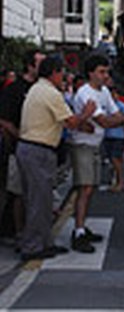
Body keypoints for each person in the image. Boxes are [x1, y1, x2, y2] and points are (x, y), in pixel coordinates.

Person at [16, 56, 97, 261]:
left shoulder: (37, 89)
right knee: (39, 200)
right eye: (62, 72)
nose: (64, 77)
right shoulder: (51, 93)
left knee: (37, 199)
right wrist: (86, 114)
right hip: (38, 149)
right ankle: (33, 246)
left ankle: (40, 242)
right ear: (53, 72)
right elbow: (70, 122)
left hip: (29, 148)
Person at [70, 55, 124, 253]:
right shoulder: (85, 93)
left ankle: (82, 227)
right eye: (101, 72)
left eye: (106, 72)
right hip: (83, 145)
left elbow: (115, 114)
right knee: (84, 189)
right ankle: (77, 232)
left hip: (96, 144)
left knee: (90, 188)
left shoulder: (103, 91)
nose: (105, 76)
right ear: (91, 73)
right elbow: (104, 121)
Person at [0, 50, 45, 239]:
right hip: (19, 148)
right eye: (41, 63)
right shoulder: (14, 89)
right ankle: (18, 232)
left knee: (36, 193)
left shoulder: (44, 89)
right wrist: (22, 137)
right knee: (18, 192)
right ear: (30, 66)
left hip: (41, 148)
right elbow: (4, 120)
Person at [105, 87, 124, 193]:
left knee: (116, 159)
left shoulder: (121, 106)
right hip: (107, 135)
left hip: (118, 135)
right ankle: (114, 180)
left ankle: (120, 182)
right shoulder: (106, 106)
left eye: (115, 94)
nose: (113, 96)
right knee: (111, 159)